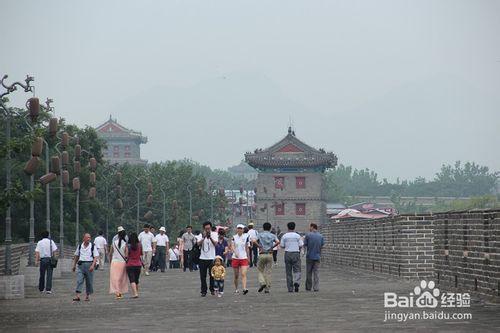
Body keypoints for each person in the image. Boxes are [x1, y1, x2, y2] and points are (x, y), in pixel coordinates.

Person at [72, 233, 99, 301]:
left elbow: (96, 256)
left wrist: (93, 265)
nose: (88, 239)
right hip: (81, 265)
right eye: (87, 237)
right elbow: (76, 256)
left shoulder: (92, 246)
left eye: (89, 237)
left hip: (89, 264)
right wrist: (74, 265)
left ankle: (87, 296)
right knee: (79, 280)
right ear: (83, 238)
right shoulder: (80, 246)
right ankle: (78, 296)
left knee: (89, 281)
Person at [255, 222, 280, 293]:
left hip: (262, 254)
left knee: (260, 270)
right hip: (270, 254)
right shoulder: (272, 235)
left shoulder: (260, 234)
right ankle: (267, 288)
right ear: (270, 228)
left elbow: (254, 241)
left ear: (263, 228)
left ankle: (262, 283)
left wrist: (259, 246)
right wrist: (272, 247)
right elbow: (278, 242)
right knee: (268, 272)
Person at [196, 221, 218, 297]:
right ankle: (203, 291)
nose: (208, 230)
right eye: (206, 229)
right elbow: (198, 244)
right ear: (203, 229)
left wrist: (210, 237)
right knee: (203, 276)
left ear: (211, 228)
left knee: (212, 275)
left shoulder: (214, 234)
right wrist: (204, 237)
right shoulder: (200, 235)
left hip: (212, 258)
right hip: (202, 258)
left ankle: (212, 289)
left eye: (209, 228)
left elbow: (215, 244)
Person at [280, 222, 303, 293]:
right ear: (294, 227)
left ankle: (290, 288)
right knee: (297, 270)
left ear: (288, 227)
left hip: (287, 253)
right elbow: (301, 244)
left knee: (288, 272)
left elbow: (282, 245)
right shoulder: (297, 236)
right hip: (296, 253)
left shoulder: (284, 236)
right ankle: (296, 282)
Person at [109, 227, 129, 299]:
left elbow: (110, 253)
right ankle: (120, 292)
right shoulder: (125, 244)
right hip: (122, 262)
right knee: (121, 278)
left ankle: (118, 293)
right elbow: (126, 255)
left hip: (114, 262)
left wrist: (110, 261)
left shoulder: (114, 243)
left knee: (115, 278)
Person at [304, 223, 324, 292]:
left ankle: (308, 287)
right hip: (317, 256)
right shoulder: (321, 236)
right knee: (316, 273)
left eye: (310, 227)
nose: (309, 228)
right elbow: (322, 245)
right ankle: (316, 288)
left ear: (312, 227)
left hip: (309, 256)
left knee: (309, 272)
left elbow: (305, 245)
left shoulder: (308, 235)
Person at [230, 224, 250, 295]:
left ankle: (244, 288)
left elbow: (247, 248)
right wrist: (235, 252)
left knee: (243, 273)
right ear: (236, 229)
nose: (239, 230)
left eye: (241, 228)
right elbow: (232, 246)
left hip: (244, 257)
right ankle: (236, 289)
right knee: (236, 275)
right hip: (235, 258)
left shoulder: (246, 237)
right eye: (238, 228)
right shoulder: (234, 237)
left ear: (243, 230)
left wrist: (248, 257)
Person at [126, 232, 142, 298]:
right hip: (138, 264)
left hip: (130, 264)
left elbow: (126, 255)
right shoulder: (140, 245)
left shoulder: (128, 245)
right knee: (136, 280)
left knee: (132, 280)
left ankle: (135, 293)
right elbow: (141, 254)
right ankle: (136, 293)